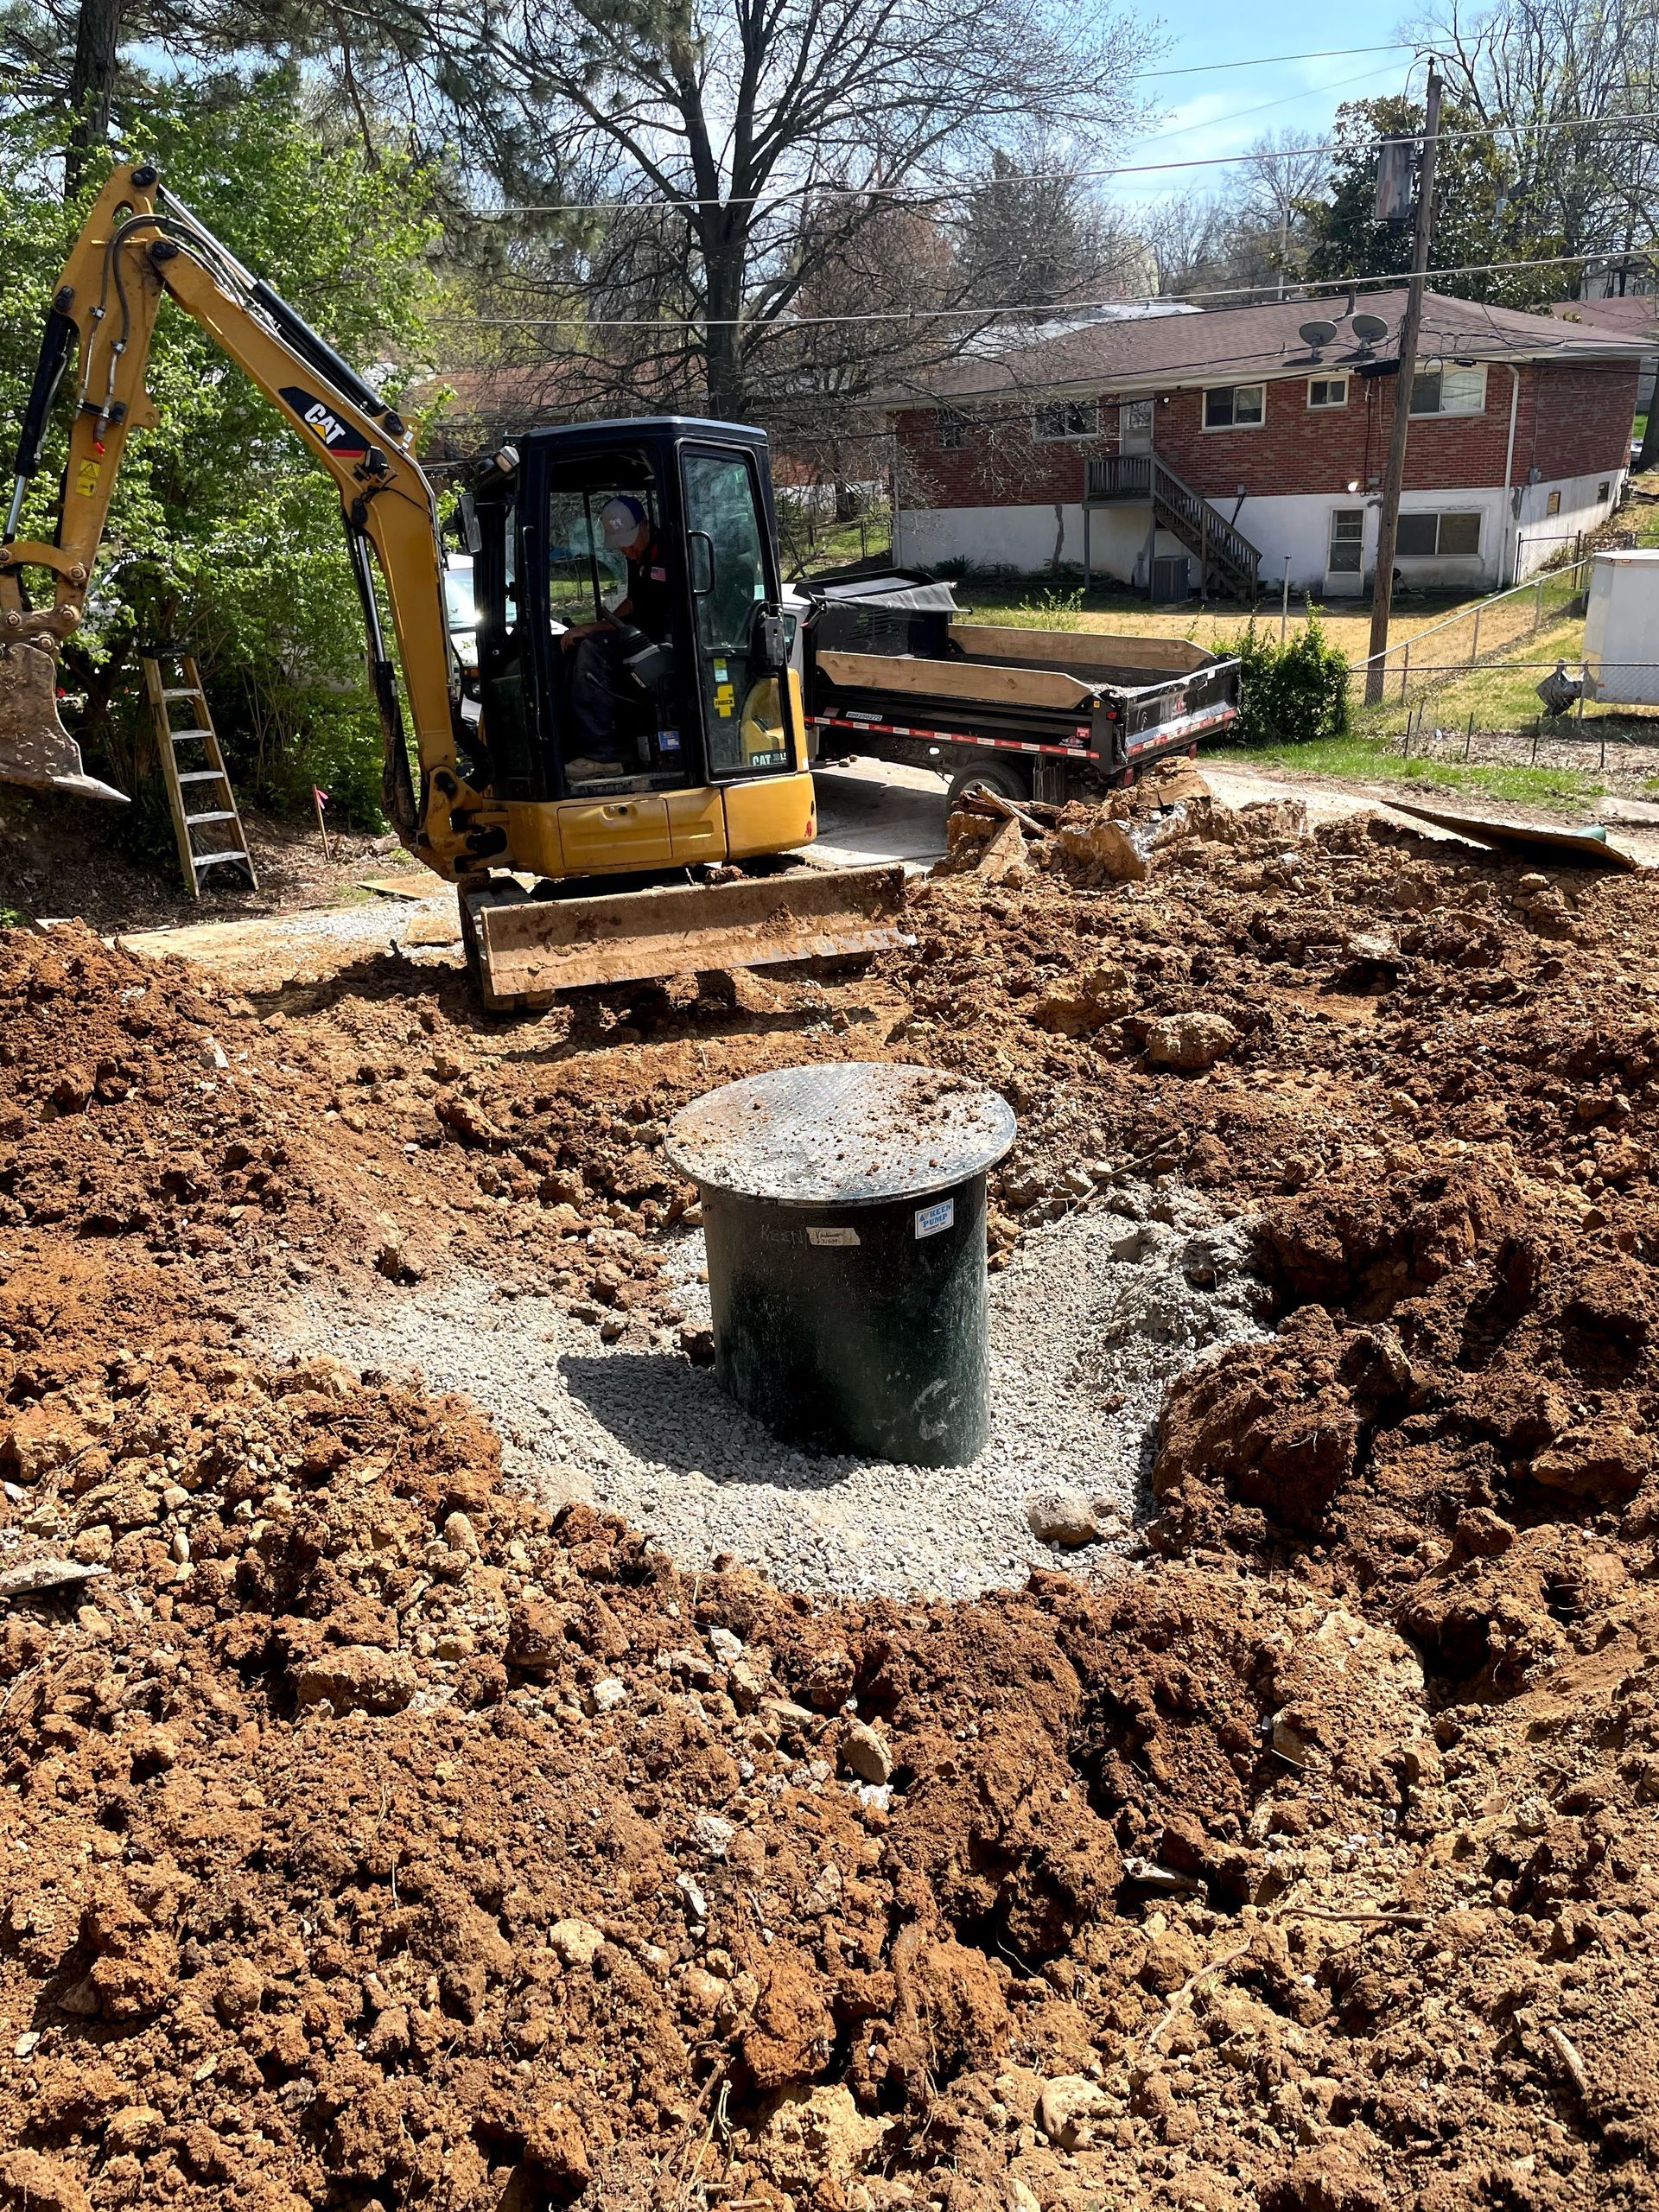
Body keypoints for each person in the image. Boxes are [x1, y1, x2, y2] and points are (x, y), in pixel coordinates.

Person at [562, 494, 672, 782]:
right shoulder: (639, 556)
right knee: (576, 649)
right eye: (621, 543)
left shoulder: (670, 551)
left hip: (669, 640)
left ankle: (602, 755)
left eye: (631, 539)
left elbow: (648, 607)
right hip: (644, 634)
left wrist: (593, 630)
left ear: (645, 525)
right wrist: (601, 622)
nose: (627, 548)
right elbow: (635, 601)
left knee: (592, 650)